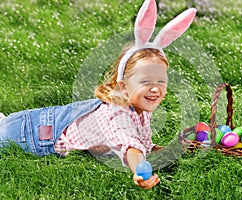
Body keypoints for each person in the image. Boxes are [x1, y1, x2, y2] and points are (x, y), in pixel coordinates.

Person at [0, 0, 196, 189]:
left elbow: (143, 144)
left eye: (160, 80)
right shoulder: (117, 115)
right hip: (31, 135)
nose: (155, 88)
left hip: (36, 123)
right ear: (124, 86)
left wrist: (173, 150)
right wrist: (139, 170)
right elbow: (131, 147)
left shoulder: (139, 107)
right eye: (145, 81)